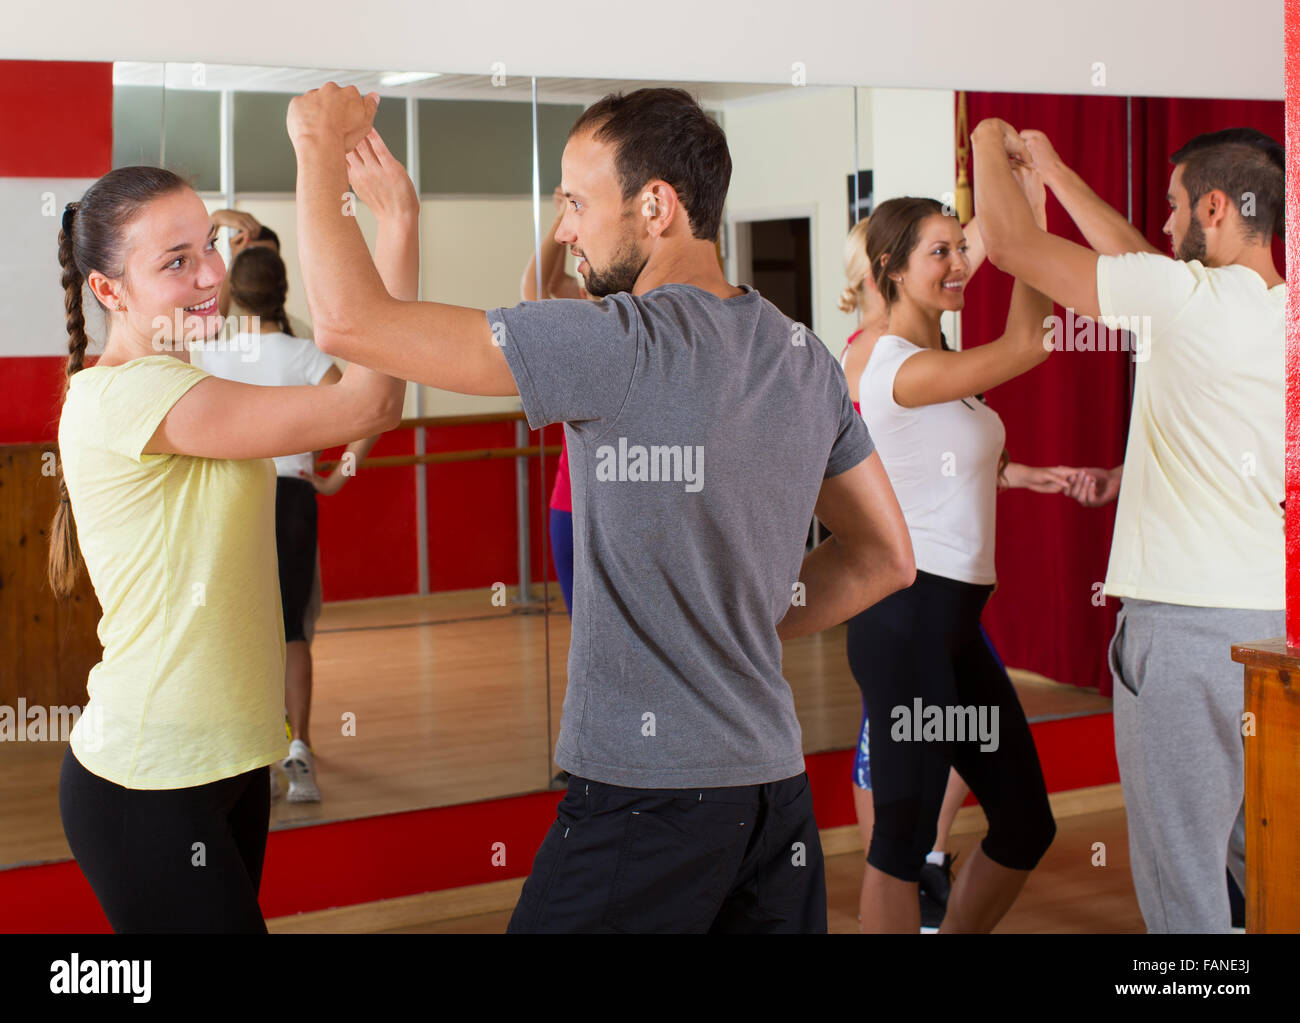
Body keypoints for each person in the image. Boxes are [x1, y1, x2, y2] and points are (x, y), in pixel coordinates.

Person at [287, 82, 916, 933]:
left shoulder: (619, 342)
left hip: (649, 802)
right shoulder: (802, 356)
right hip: (773, 797)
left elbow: (348, 324)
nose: (564, 228)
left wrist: (318, 149)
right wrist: (739, 625)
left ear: (655, 206)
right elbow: (885, 557)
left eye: (576, 202)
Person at [50, 139, 411, 932]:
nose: (212, 273)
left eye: (210, 243)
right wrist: (390, 226)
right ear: (110, 289)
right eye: (177, 261)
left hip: (237, 759)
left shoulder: (191, 380)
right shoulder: (131, 396)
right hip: (152, 778)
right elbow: (371, 404)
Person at [977, 121, 1285, 932]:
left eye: (1177, 205)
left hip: (1183, 639)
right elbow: (1144, 269)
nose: (1166, 221)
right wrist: (1057, 170)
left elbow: (1010, 245)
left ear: (1215, 207)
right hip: (1271, 629)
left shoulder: (1187, 303)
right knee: (1271, 876)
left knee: (1183, 893)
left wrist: (985, 136)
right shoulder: (1277, 315)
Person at [839, 210, 1076, 930]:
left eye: (959, 249)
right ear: (891, 267)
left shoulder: (941, 364)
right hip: (905, 623)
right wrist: (1021, 226)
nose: (956, 265)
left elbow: (956, 466)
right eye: (936, 252)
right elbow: (1032, 341)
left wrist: (1013, 231)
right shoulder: (894, 367)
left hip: (953, 628)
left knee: (1026, 821)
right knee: (902, 845)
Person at [202, 243, 387, 802]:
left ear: (233, 295)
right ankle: (298, 749)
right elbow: (369, 413)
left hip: (232, 501)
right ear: (284, 293)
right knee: (291, 630)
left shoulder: (212, 354)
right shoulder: (305, 355)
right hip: (291, 500)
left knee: (240, 630)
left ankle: (252, 753)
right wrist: (337, 476)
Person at [520, 185, 594, 615]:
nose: (573, 244)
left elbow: (538, 288)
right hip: (569, 503)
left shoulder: (632, 313)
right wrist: (566, 214)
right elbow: (537, 287)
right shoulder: (584, 311)